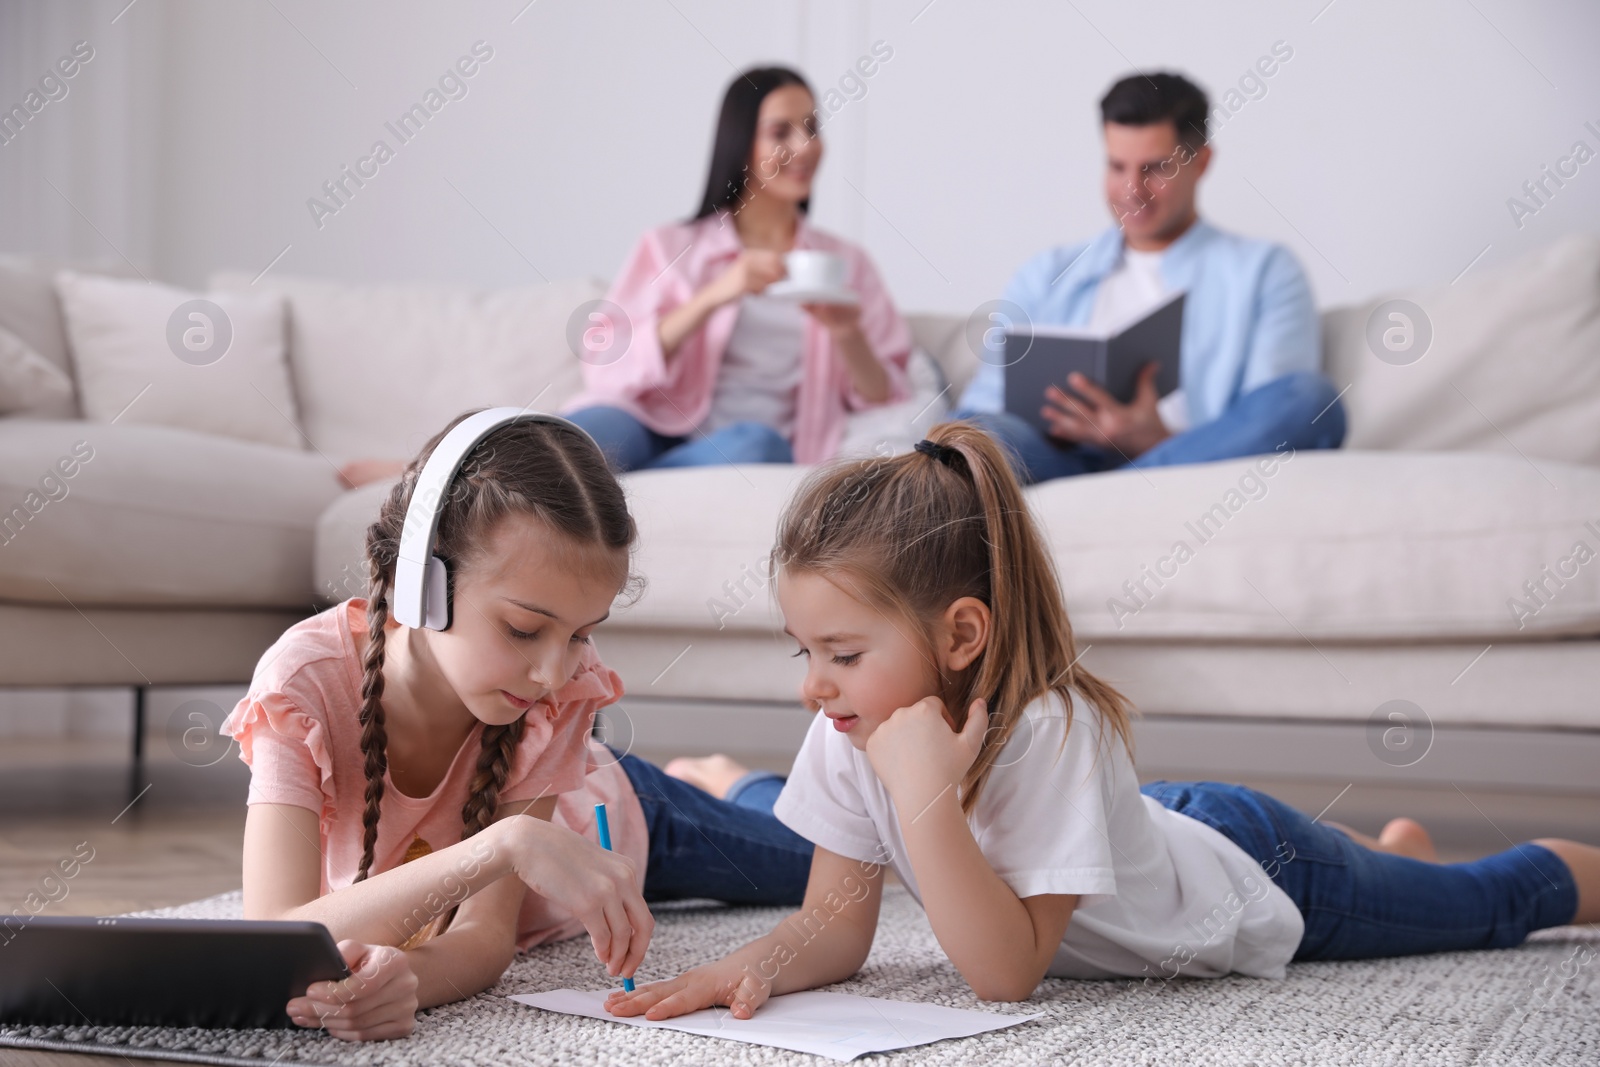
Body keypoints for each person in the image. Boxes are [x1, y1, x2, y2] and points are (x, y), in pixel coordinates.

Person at [606, 421, 1597, 1021]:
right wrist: (748, 966)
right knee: (1398, 866)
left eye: (843, 653)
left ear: (961, 634)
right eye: (803, 650)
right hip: (1148, 834)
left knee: (1489, 902)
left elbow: (1004, 972)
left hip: (1261, 869)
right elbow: (835, 925)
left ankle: (1497, 864)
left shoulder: (1048, 729)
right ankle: (1387, 843)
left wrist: (926, 798)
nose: (813, 688)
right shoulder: (855, 725)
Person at [223, 410, 812, 1042]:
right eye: (524, 630)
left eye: (582, 634)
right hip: (548, 841)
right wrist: (404, 974)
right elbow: (279, 940)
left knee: (817, 859)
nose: (554, 675)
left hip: (623, 820)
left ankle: (729, 780)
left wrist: (508, 849)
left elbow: (484, 939)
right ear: (415, 585)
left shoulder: (556, 698)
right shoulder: (304, 683)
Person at [955, 72, 1347, 484]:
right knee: (971, 434)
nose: (1132, 189)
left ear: (1201, 163)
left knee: (1309, 399)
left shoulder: (1265, 270)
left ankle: (1116, 489)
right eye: (1117, 166)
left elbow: (1269, 413)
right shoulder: (1047, 272)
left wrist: (1152, 439)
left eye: (1155, 168)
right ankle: (1122, 491)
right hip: (1058, 460)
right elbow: (984, 406)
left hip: (1186, 451)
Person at [559, 65, 914, 471]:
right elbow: (606, 364)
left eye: (812, 127)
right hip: (651, 423)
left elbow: (886, 399)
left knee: (759, 446)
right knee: (581, 436)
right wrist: (714, 295)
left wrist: (848, 333)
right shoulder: (669, 245)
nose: (805, 146)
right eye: (781, 132)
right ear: (741, 143)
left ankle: (617, 496)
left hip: (745, 446)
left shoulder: (846, 264)